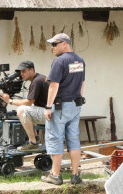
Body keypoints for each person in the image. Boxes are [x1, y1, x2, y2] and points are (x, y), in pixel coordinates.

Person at [41, 33, 85, 185]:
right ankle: (75, 175)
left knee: (55, 139)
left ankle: (55, 175)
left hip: (59, 107)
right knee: (73, 139)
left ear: (65, 43)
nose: (52, 47)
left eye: (55, 44)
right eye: (51, 44)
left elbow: (54, 85)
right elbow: (82, 83)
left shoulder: (59, 61)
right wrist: (77, 99)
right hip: (75, 105)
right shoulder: (79, 60)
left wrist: (47, 107)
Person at [0, 61, 49, 151]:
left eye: (24, 71)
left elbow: (29, 102)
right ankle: (35, 137)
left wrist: (9, 101)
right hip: (50, 111)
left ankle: (33, 143)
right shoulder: (39, 78)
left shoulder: (36, 81)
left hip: (50, 114)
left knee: (22, 110)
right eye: (20, 72)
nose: (22, 74)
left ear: (32, 70)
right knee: (28, 109)